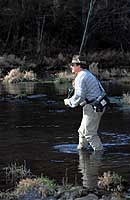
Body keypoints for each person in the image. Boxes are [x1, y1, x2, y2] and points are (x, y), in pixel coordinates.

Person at [64, 55, 107, 151]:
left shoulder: (81, 76)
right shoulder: (87, 74)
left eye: (72, 64)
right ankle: (81, 150)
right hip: (95, 106)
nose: (71, 66)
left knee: (89, 134)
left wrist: (68, 102)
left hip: (93, 108)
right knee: (82, 131)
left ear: (78, 66)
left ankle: (100, 155)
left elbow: (79, 96)